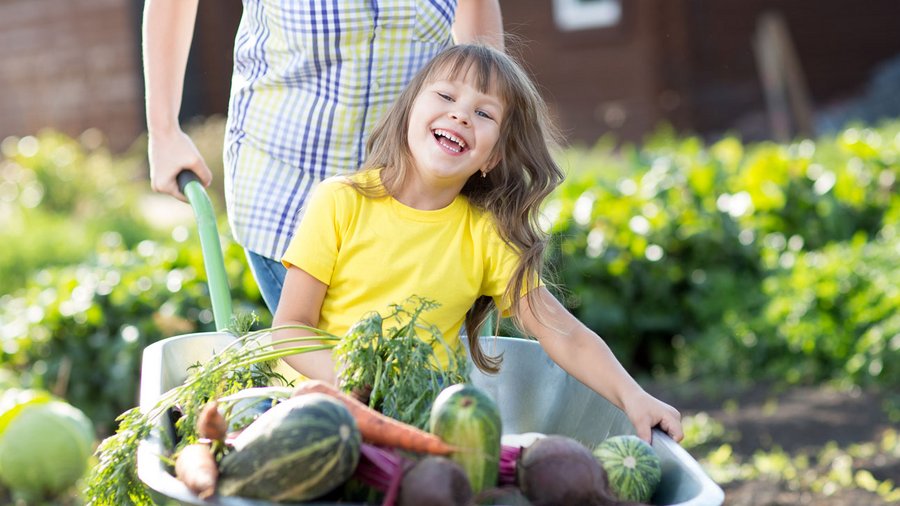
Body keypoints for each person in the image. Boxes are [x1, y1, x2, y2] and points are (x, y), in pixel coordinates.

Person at [272, 44, 683, 443]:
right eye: (447, 95)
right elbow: (290, 328)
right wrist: (356, 381)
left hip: (420, 425)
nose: (461, 114)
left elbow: (563, 334)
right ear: (408, 111)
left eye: (483, 113)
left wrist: (634, 397)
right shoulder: (342, 200)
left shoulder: (485, 234)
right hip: (320, 412)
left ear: (493, 157)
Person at [142, 0, 504, 313]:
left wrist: (491, 123)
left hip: (414, 201)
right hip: (289, 191)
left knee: (409, 374)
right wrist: (164, 132)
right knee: (336, 375)